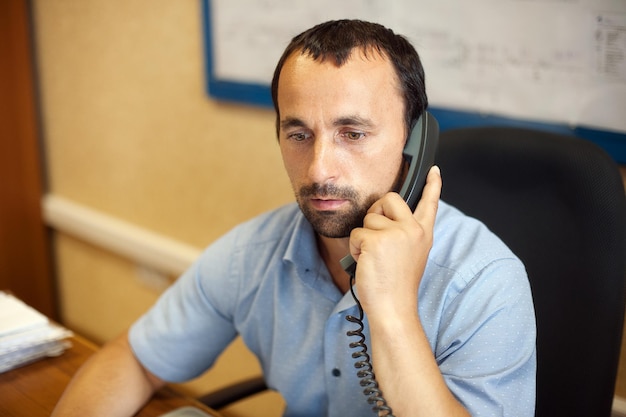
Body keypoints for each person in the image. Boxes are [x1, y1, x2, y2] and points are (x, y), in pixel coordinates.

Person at [52, 19, 536, 417]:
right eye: (299, 134)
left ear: (415, 143)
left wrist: (391, 310)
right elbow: (136, 360)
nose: (320, 169)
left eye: (353, 133)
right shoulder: (254, 255)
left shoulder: (483, 281)